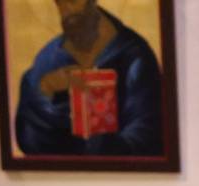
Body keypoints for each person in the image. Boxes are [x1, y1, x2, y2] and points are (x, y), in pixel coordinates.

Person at [15, 0, 164, 157]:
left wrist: (99, 142)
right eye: (61, 3)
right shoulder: (49, 59)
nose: (67, 10)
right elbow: (29, 142)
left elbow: (147, 137)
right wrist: (45, 93)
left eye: (74, 1)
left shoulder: (134, 57)